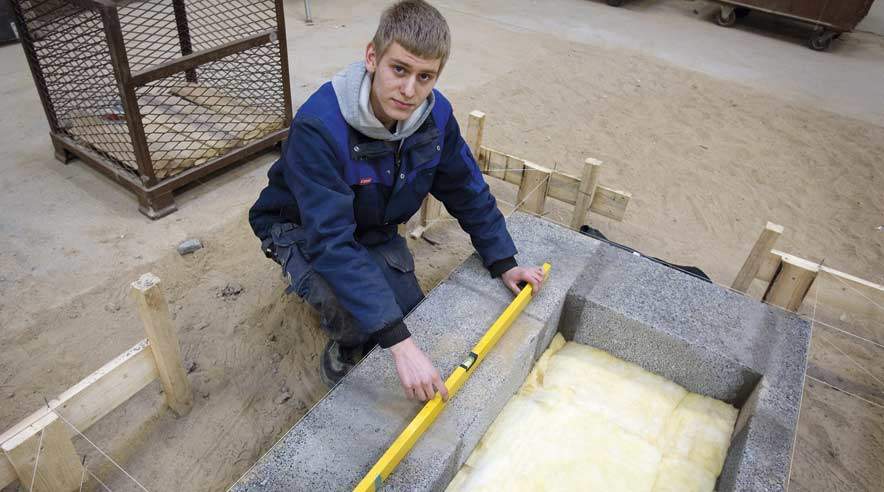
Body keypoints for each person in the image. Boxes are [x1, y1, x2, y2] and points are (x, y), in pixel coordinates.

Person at [248, 0, 545, 402]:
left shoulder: (435, 118)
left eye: (425, 77)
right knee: (361, 319)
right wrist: (399, 344)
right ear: (372, 57)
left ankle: (374, 301)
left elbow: (467, 189)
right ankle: (346, 346)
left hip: (371, 224)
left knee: (407, 313)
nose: (409, 91)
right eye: (399, 69)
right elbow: (331, 241)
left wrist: (503, 261)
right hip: (301, 225)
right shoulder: (320, 127)